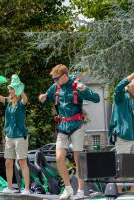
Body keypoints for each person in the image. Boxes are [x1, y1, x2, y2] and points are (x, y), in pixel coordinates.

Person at [38, 64, 100, 199]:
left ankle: (81, 191)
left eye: (56, 79)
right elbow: (46, 96)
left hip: (77, 125)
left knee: (78, 159)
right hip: (62, 127)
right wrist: (42, 97)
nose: (54, 81)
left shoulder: (77, 85)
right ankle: (68, 188)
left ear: (64, 76)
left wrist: (85, 90)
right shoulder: (56, 87)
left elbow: (96, 98)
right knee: (59, 157)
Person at [0, 74, 30, 195]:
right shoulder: (8, 101)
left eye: (12, 88)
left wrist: (21, 90)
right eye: (9, 88)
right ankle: (9, 187)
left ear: (16, 89)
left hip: (20, 137)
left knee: (22, 162)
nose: (9, 90)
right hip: (9, 136)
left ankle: (27, 189)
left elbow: (25, 99)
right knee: (8, 162)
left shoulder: (21, 103)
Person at [109, 68, 134, 192]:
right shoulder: (121, 98)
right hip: (123, 137)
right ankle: (119, 195)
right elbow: (118, 87)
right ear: (128, 87)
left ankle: (132, 193)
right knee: (122, 167)